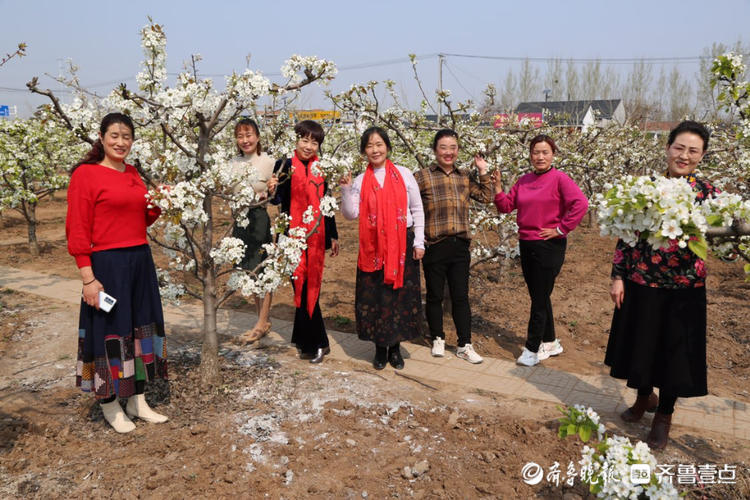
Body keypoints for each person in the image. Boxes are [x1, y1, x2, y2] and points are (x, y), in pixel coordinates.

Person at [605, 120, 718, 450]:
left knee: (675, 354)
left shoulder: (707, 194)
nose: (684, 155)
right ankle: (644, 398)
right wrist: (618, 275)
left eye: (692, 151)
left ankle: (664, 416)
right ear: (668, 148)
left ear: (702, 156)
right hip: (643, 281)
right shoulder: (645, 188)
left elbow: (725, 231)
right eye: (679, 147)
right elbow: (626, 235)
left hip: (686, 288)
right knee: (641, 346)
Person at [66, 112, 168, 433]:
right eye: (114, 136)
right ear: (101, 137)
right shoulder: (86, 175)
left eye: (127, 137)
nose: (121, 142)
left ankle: (136, 398)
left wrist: (158, 203)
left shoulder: (133, 173)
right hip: (107, 266)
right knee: (110, 330)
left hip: (140, 260)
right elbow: (77, 229)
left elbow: (138, 220)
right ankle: (109, 402)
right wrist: (88, 278)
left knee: (139, 328)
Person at [492, 134, 588, 367]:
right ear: (530, 155)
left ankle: (532, 349)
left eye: (545, 152)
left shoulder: (560, 179)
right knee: (539, 295)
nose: (540, 157)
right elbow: (506, 206)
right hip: (527, 244)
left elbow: (581, 204)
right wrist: (497, 186)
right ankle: (550, 341)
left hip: (549, 245)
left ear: (553, 154)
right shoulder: (524, 180)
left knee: (539, 298)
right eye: (536, 152)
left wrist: (561, 228)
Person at [340, 126, 425, 370]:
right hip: (373, 247)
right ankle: (379, 349)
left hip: (401, 246)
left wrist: (419, 241)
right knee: (376, 298)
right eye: (369, 145)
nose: (375, 149)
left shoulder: (404, 174)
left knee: (398, 297)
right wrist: (345, 190)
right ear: (364, 151)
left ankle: (395, 349)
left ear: (387, 146)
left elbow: (417, 210)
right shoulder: (359, 180)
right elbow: (351, 214)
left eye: (379, 144)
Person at [414, 129, 493, 363]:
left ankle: (464, 344)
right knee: (435, 294)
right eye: (443, 147)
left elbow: (486, 197)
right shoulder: (422, 176)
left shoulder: (465, 176)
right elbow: (410, 205)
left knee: (461, 296)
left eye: (453, 147)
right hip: (434, 244)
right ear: (435, 150)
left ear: (458, 150)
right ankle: (437, 336)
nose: (448, 152)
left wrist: (483, 171)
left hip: (459, 245)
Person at [272, 120, 339, 364]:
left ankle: (310, 341)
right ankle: (316, 341)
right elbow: (277, 199)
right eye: (304, 140)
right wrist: (272, 188)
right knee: (299, 286)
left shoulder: (322, 168)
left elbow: (327, 204)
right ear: (296, 140)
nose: (309, 146)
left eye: (314, 142)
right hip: (293, 237)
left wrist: (333, 235)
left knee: (312, 287)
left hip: (317, 236)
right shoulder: (285, 165)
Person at [228, 118, 278, 344]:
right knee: (249, 272)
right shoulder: (232, 163)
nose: (245, 140)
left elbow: (276, 194)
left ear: (257, 137)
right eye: (240, 136)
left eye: (248, 135)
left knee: (262, 271)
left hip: (258, 220)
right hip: (239, 220)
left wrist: (271, 190)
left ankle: (262, 321)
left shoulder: (268, 162)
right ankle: (262, 319)